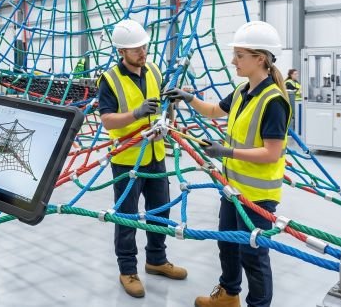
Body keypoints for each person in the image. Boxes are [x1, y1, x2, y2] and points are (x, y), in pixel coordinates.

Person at [164, 21, 290, 307]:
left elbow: (272, 153)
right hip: (232, 189)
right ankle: (229, 294)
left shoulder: (274, 101)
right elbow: (213, 111)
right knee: (228, 245)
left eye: (240, 55)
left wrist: (227, 152)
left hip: (257, 197)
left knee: (253, 256)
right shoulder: (242, 91)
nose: (234, 61)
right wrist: (189, 98)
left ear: (260, 58)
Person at [97, 19, 187, 298]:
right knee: (126, 216)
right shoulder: (110, 79)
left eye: (144, 46)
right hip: (127, 158)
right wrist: (135, 114)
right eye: (136, 49)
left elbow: (161, 110)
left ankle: (156, 260)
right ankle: (127, 269)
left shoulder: (154, 71)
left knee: (160, 210)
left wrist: (170, 111)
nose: (142, 52)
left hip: (156, 154)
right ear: (122, 51)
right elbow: (108, 121)